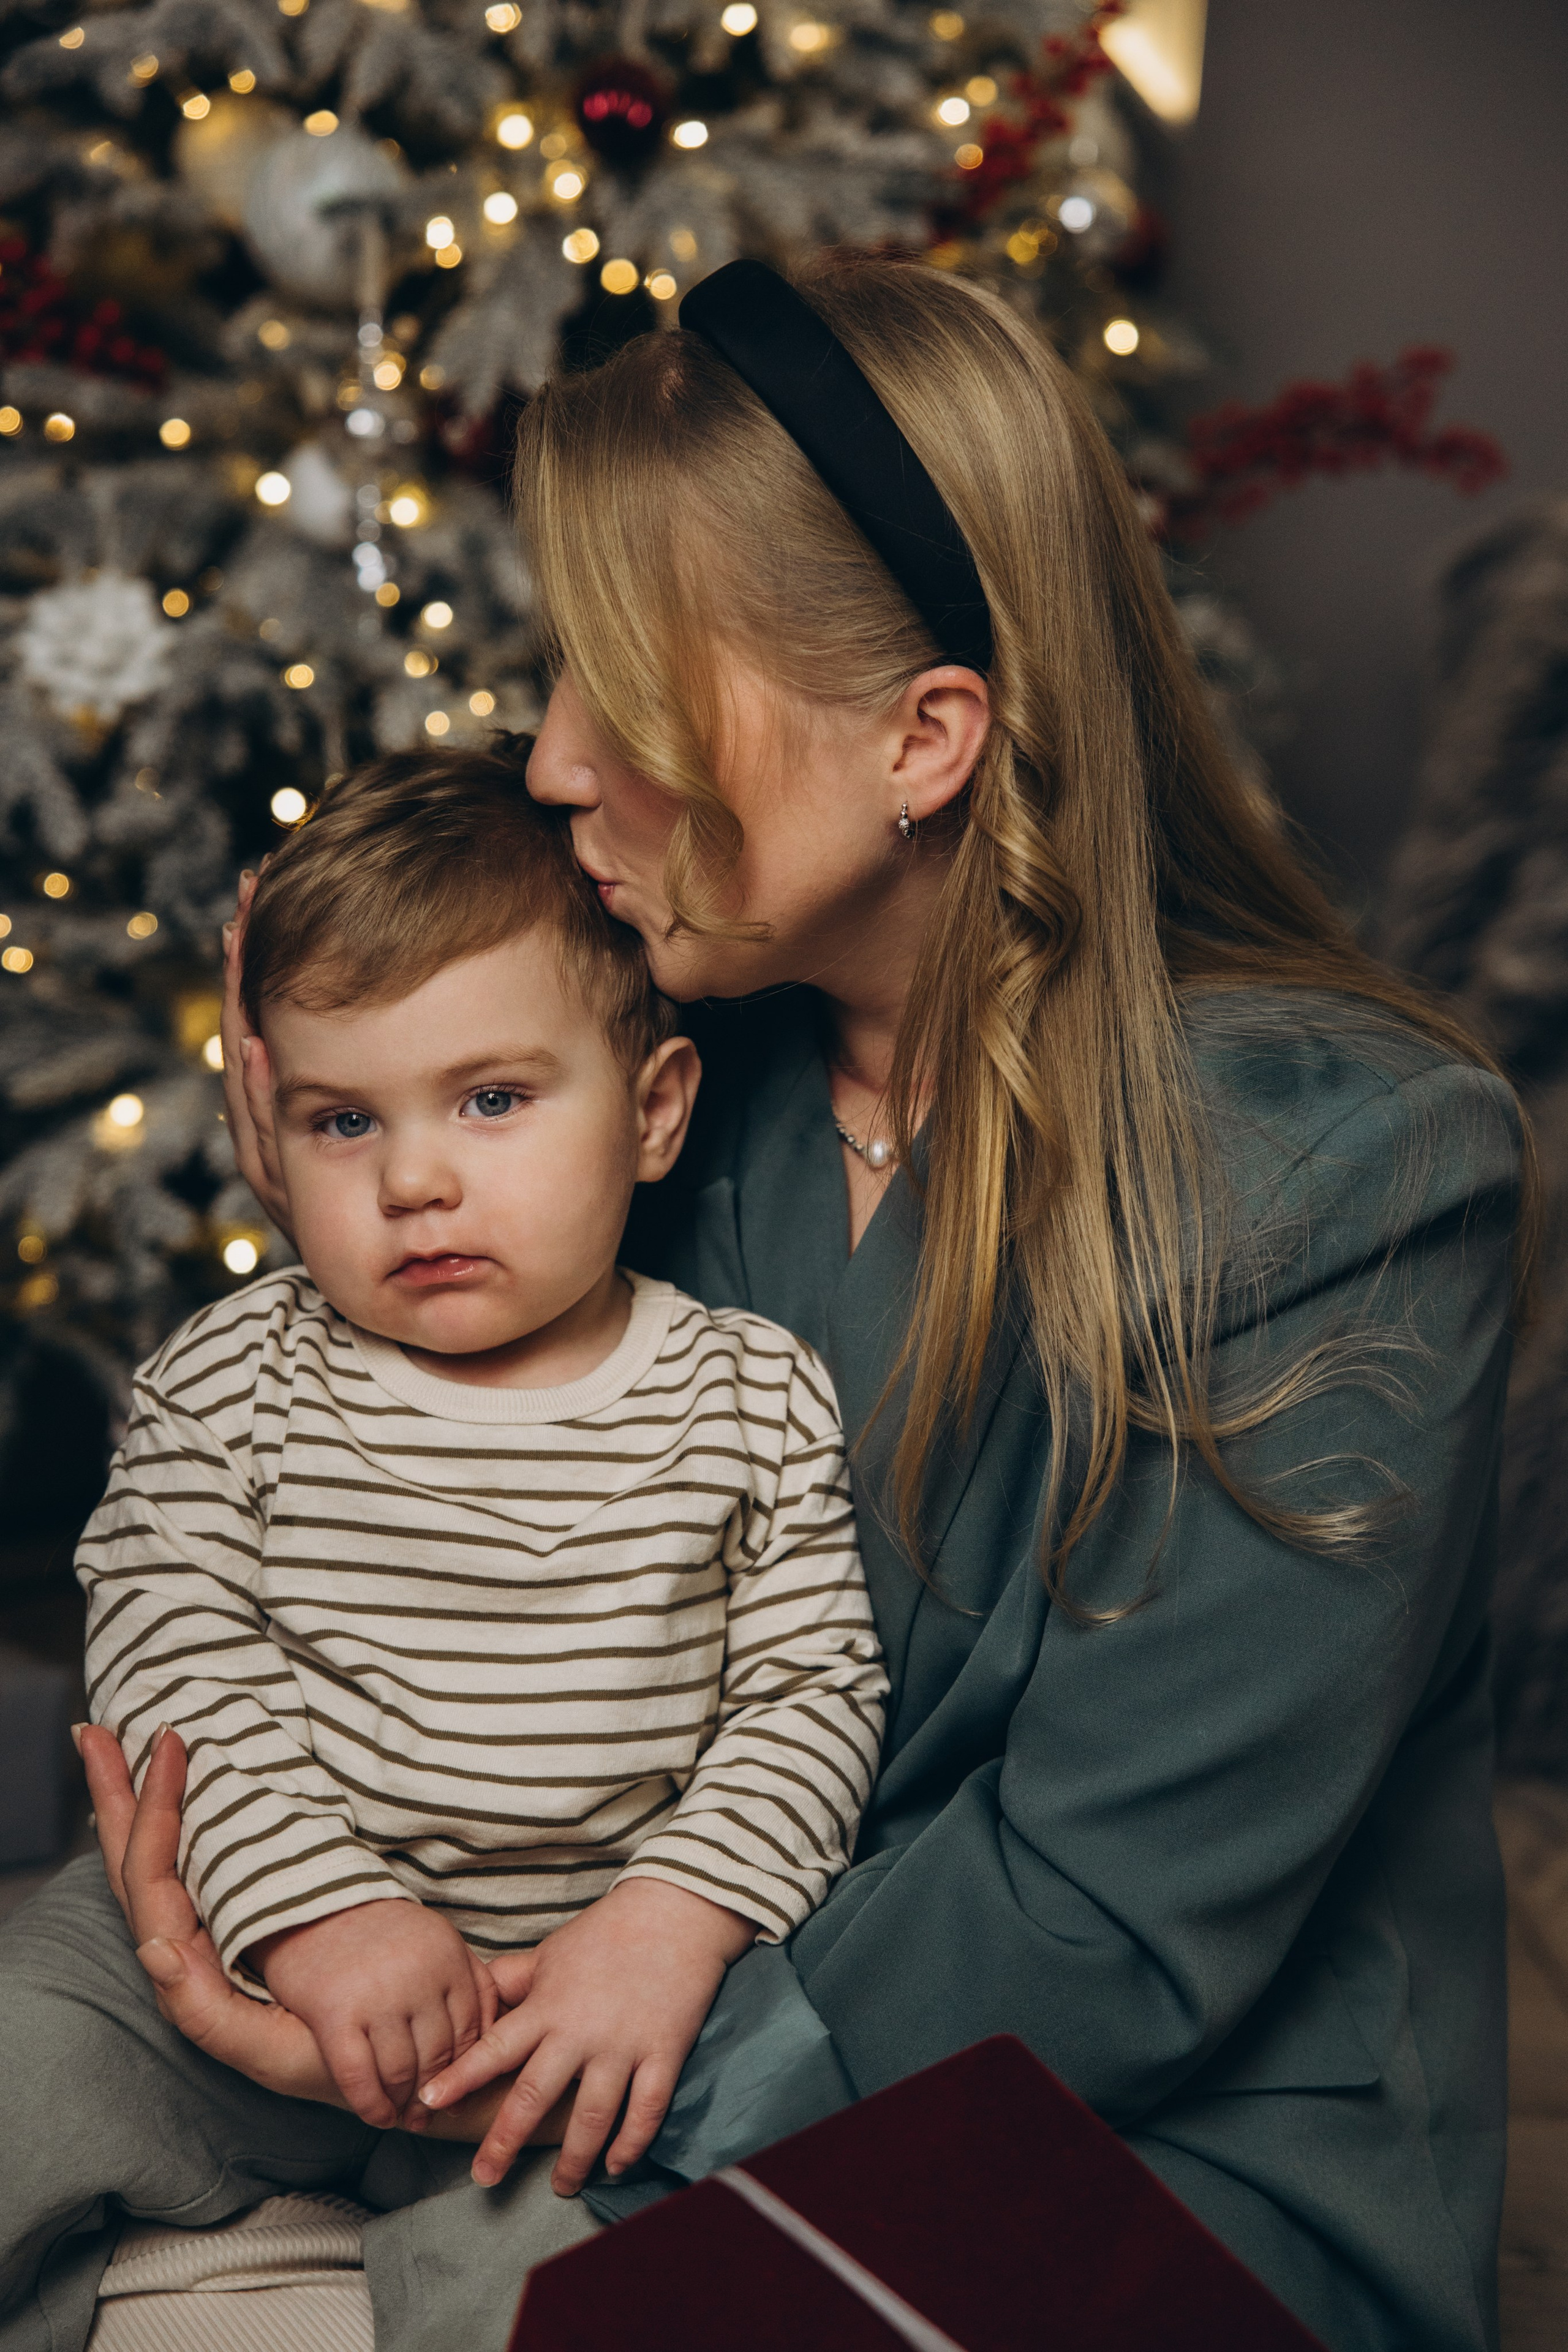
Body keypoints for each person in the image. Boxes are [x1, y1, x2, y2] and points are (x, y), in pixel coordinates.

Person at [8, 252, 1529, 2352]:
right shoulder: (686, 1084)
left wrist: (538, 2097)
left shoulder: (1351, 1174)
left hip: (1118, 2130)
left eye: (623, 697)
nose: (551, 762)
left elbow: (1107, 1924)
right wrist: (318, 1144)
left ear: (925, 737)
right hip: (601, 2009)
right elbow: (392, 1478)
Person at [0, 745, 886, 2350]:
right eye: (345, 1120)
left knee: (583, 2283)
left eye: (491, 1098)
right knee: (22, 2046)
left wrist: (672, 1919)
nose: (414, 1179)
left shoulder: (746, 1396)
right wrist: (317, 1911)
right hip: (249, 1940)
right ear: (275, 1125)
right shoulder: (238, 1372)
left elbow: (813, 1693)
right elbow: (169, 1645)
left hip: (571, 2004)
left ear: (655, 1111)